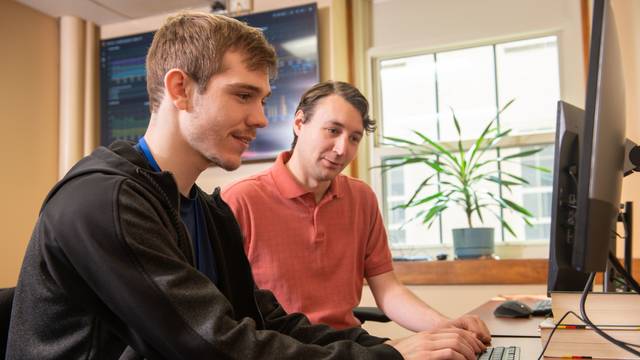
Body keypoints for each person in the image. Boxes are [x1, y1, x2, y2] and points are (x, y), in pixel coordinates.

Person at [6, 12, 485, 360]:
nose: (259, 118)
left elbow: (266, 321)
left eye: (262, 99)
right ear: (180, 90)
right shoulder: (105, 203)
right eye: (242, 96)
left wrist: (397, 346)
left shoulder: (205, 211)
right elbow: (208, 345)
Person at [222, 81, 492, 339]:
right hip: (285, 348)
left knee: (447, 351)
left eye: (354, 138)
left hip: (352, 344)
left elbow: (388, 290)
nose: (342, 149)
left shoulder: (362, 198)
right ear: (299, 123)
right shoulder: (240, 200)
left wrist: (447, 327)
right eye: (332, 130)